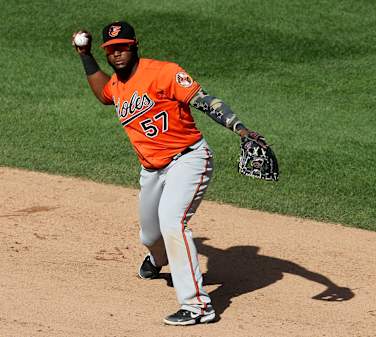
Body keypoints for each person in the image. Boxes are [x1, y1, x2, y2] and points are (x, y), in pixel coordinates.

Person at [72, 21, 270, 326]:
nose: (118, 53)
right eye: (112, 50)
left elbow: (204, 100)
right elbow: (103, 93)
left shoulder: (163, 72)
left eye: (123, 46)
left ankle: (198, 305)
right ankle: (158, 259)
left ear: (135, 45)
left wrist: (239, 128)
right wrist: (85, 55)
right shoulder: (119, 85)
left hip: (188, 160)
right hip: (151, 170)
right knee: (150, 235)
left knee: (173, 222)